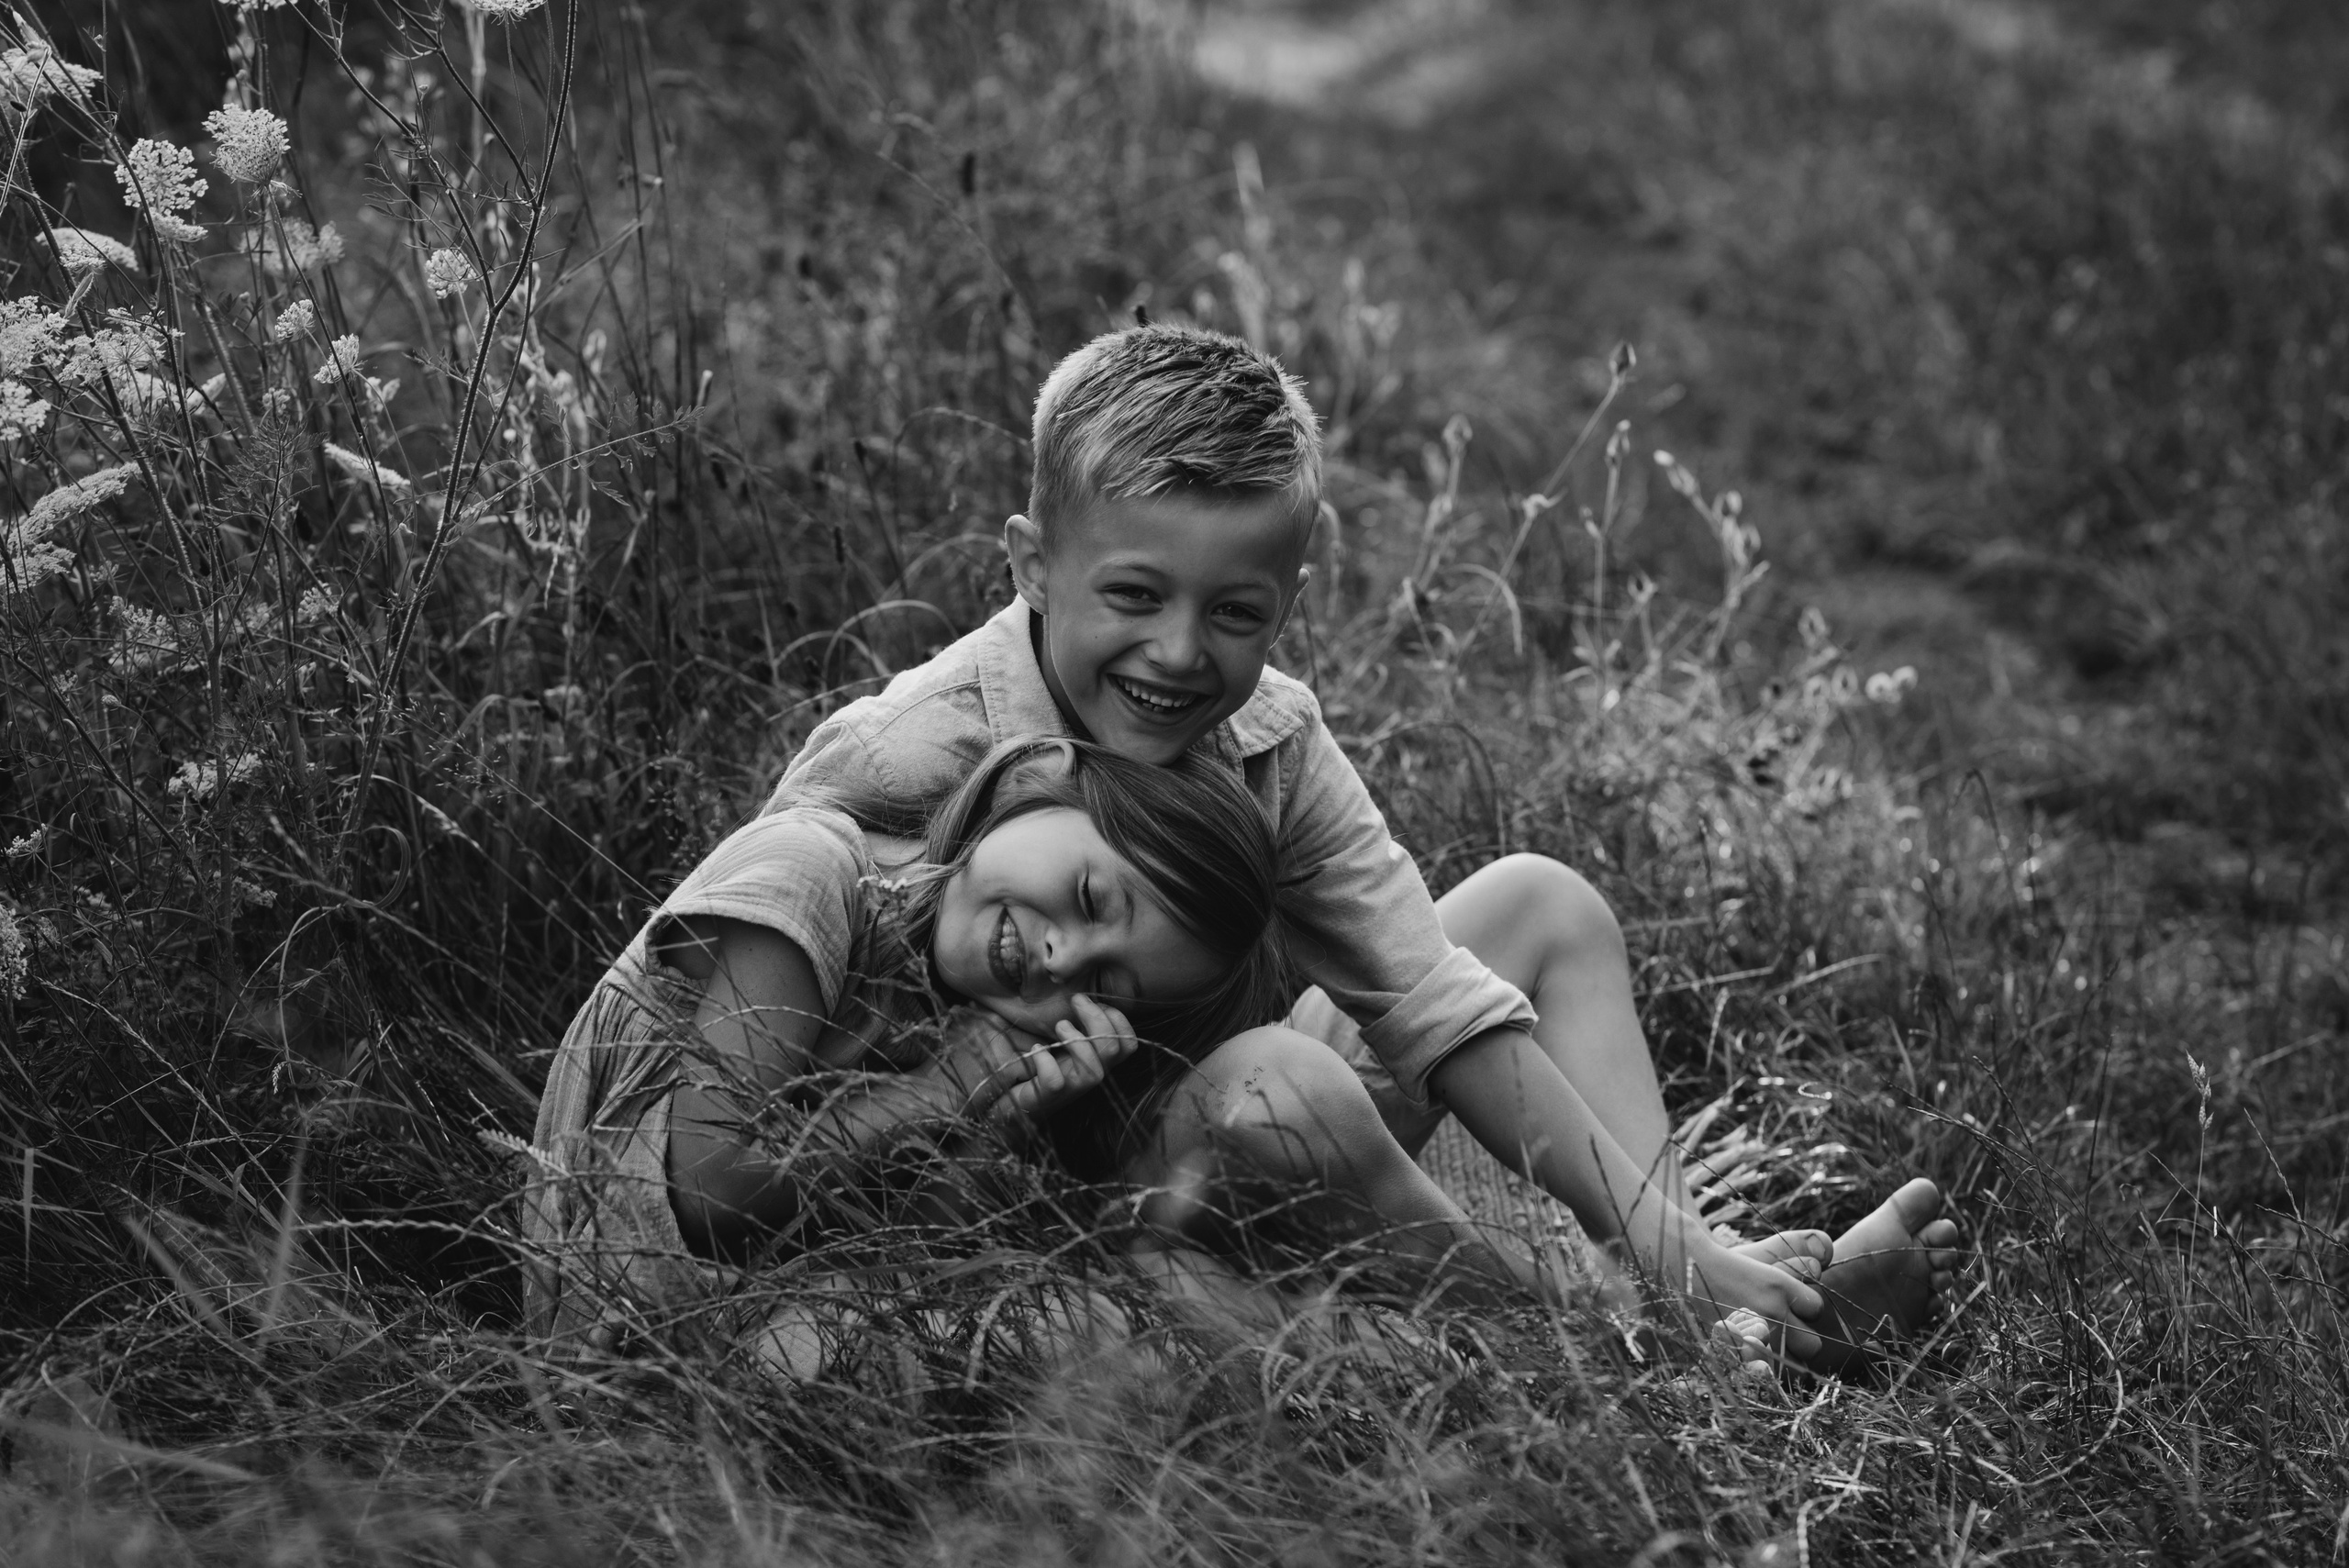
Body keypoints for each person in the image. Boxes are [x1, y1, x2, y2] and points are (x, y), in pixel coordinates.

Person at [760, 322, 1963, 1373]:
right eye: (1134, 597)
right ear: (1032, 564)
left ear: (1287, 596)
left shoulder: (1268, 735)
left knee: (1540, 904)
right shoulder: (914, 754)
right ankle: (1629, 1348)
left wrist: (1679, 1246)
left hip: (1233, 1129)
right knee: (1284, 1088)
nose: (1179, 655)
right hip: (1045, 1181)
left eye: (1233, 613)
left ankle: (1696, 1284)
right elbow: (764, 1015)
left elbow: (1430, 999)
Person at [521, 735, 1550, 1349]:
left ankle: (1500, 1341)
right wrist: (938, 1097)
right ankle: (1514, 1340)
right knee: (1104, 1333)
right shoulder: (811, 874)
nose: (1062, 951)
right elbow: (708, 1193)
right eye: (1095, 893)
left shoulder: (964, 999)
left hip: (810, 1305)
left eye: (1105, 981)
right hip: (641, 1334)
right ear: (1041, 779)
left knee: (1131, 1304)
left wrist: (1001, 1122)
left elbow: (905, 1235)